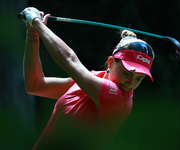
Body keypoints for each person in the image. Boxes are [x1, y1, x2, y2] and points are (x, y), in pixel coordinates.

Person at [21, 7, 155, 150]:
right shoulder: (92, 79)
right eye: (127, 73)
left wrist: (36, 22)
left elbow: (68, 60)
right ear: (110, 62)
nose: (131, 83)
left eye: (139, 78)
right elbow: (35, 85)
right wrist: (32, 33)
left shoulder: (117, 99)